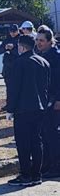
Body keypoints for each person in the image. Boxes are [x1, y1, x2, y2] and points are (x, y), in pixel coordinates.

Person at [6, 35, 50, 186]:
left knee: (23, 143)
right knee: (36, 141)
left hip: (23, 108)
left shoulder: (20, 63)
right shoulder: (43, 62)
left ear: (21, 47)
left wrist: (10, 108)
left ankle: (26, 175)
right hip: (40, 108)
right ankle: (36, 175)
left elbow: (14, 88)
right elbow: (46, 87)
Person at [35, 27, 60, 178]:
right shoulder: (39, 54)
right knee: (44, 133)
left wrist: (58, 99)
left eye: (42, 41)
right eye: (37, 40)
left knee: (52, 134)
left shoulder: (56, 57)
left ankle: (56, 166)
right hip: (43, 100)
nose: (39, 43)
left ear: (50, 42)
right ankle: (46, 164)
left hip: (54, 100)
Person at [0, 24, 20, 111]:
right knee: (9, 88)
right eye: (11, 31)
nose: (12, 33)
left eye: (14, 31)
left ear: (18, 30)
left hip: (17, 67)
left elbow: (21, 52)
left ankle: (17, 104)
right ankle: (9, 104)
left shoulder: (21, 39)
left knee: (18, 87)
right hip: (8, 67)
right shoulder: (7, 40)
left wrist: (14, 47)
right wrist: (5, 47)